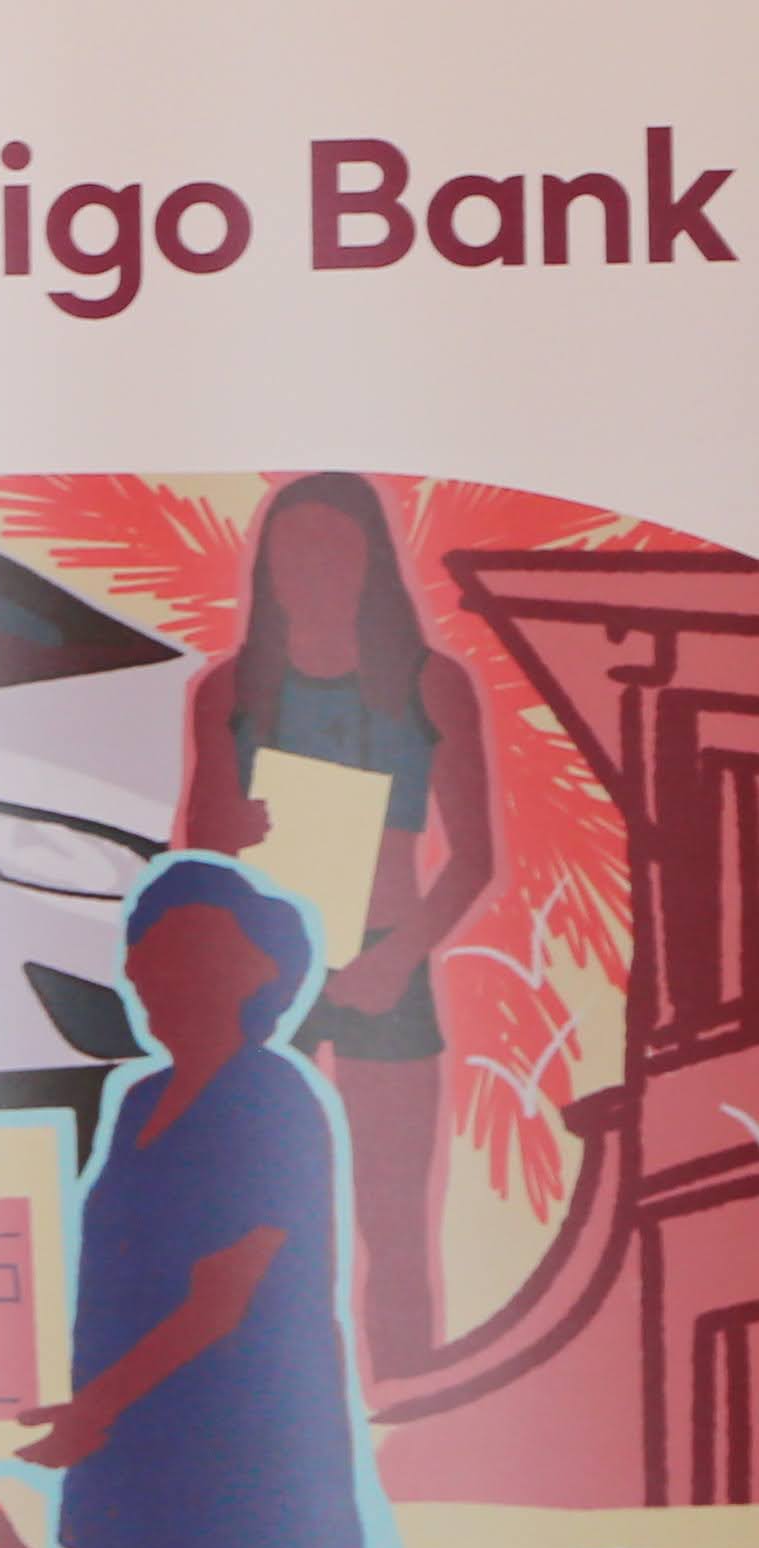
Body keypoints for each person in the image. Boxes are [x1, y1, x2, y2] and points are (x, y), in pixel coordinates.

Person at [172, 471, 497, 1373]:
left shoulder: (427, 685)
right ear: (267, 564)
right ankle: (270, 1406)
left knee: (392, 1222)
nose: (311, 567)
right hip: (264, 975)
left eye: (332, 547)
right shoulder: (230, 690)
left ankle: (403, 1394)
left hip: (386, 966)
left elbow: (473, 856)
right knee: (261, 1213)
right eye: (292, 548)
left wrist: (396, 959)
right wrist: (239, 830)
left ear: (369, 561)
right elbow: (200, 851)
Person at [14, 857, 367, 1548]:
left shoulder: (268, 1096)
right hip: (127, 1458)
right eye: (143, 953)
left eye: (181, 952)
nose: (147, 973)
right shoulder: (140, 1100)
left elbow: (223, 1298)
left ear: (255, 970)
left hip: (230, 1463)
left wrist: (96, 1409)